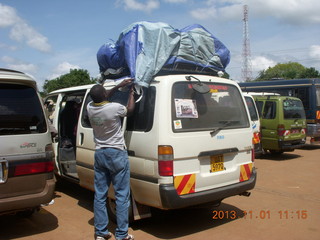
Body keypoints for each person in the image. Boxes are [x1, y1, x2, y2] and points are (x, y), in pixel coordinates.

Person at [87, 79, 135, 240]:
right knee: (121, 195)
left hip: (100, 153)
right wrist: (131, 93)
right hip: (116, 154)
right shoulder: (114, 108)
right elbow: (130, 110)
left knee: (100, 195)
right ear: (104, 95)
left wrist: (118, 86)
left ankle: (101, 233)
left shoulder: (90, 108)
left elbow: (104, 95)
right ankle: (122, 234)